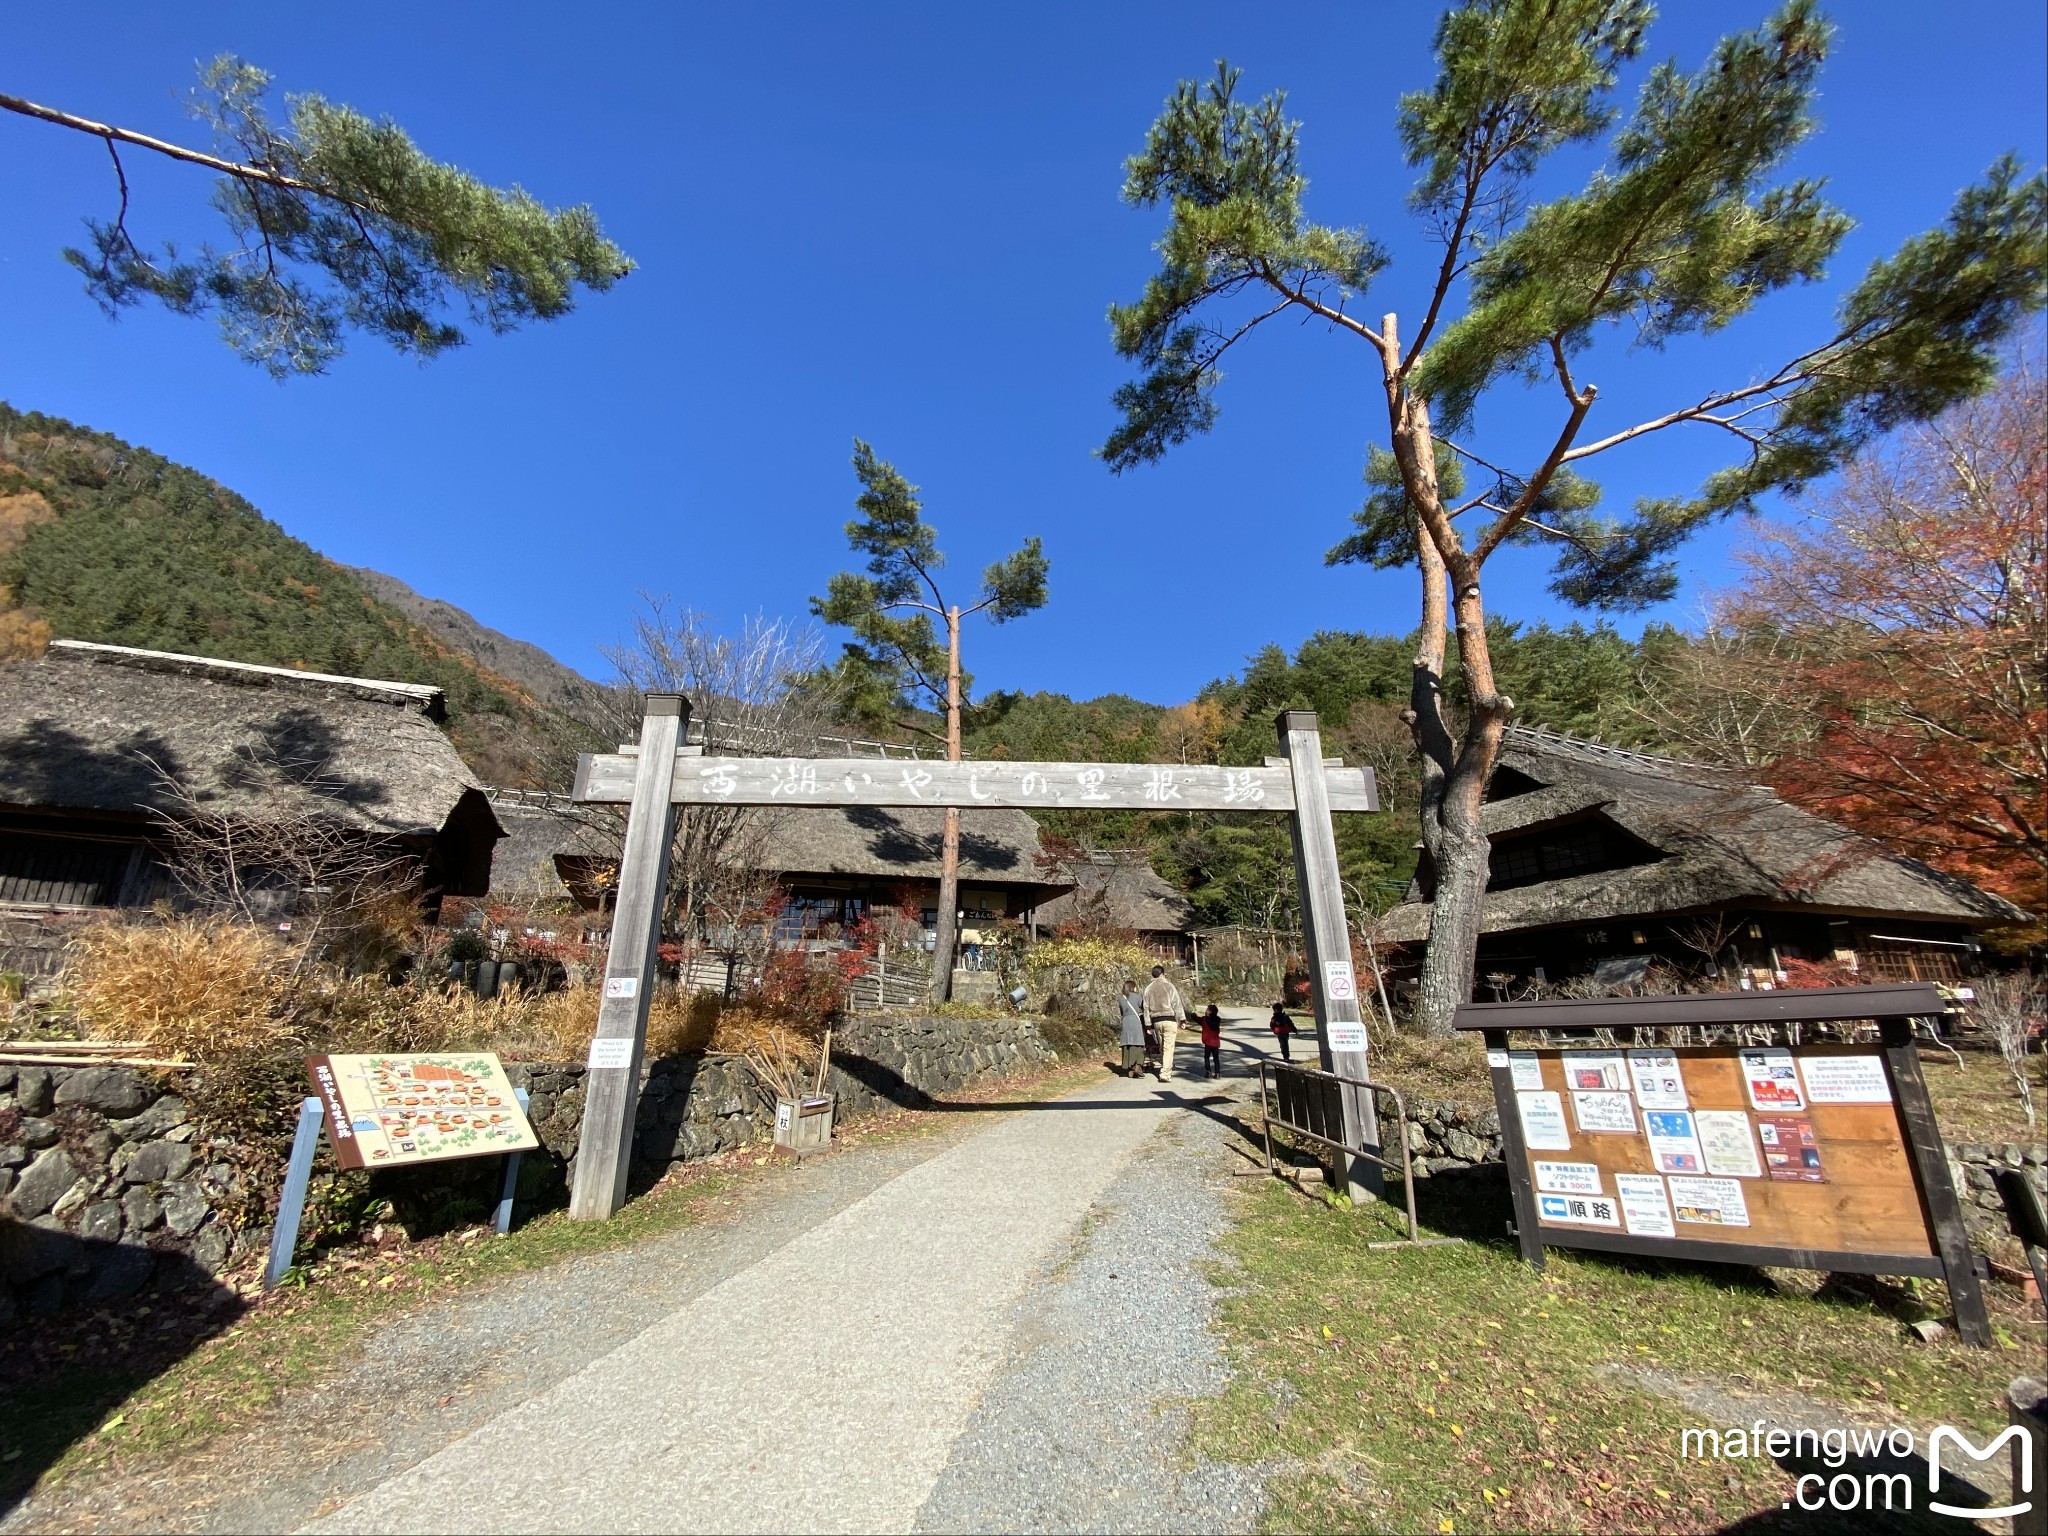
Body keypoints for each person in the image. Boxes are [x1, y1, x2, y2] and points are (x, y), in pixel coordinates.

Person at [1141, 964, 1187, 1081]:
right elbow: (1177, 1003)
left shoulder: (1148, 989)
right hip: (1169, 1019)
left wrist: (1148, 1025)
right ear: (1162, 974)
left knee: (1162, 1047)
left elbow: (1145, 1008)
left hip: (1156, 1021)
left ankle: (1165, 1067)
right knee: (1168, 1047)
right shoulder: (1169, 986)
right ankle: (1165, 1073)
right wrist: (1182, 1019)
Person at [1116, 979, 1147, 1077]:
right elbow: (1143, 1007)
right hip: (1135, 1021)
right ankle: (1137, 1066)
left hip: (1125, 1022)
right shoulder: (1137, 996)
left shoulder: (1121, 998)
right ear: (1133, 987)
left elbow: (1121, 1012)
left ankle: (1129, 1069)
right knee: (1138, 1044)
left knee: (1127, 1044)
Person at [1198, 1004, 1223, 1079]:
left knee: (1206, 1057)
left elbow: (1196, 1019)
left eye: (1207, 1009)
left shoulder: (1204, 1019)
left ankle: (1208, 1071)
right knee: (1216, 1058)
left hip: (1208, 1042)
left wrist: (1192, 1014)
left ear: (1210, 1011)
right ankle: (1217, 1073)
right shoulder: (1217, 1020)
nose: (1206, 1010)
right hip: (1215, 1042)